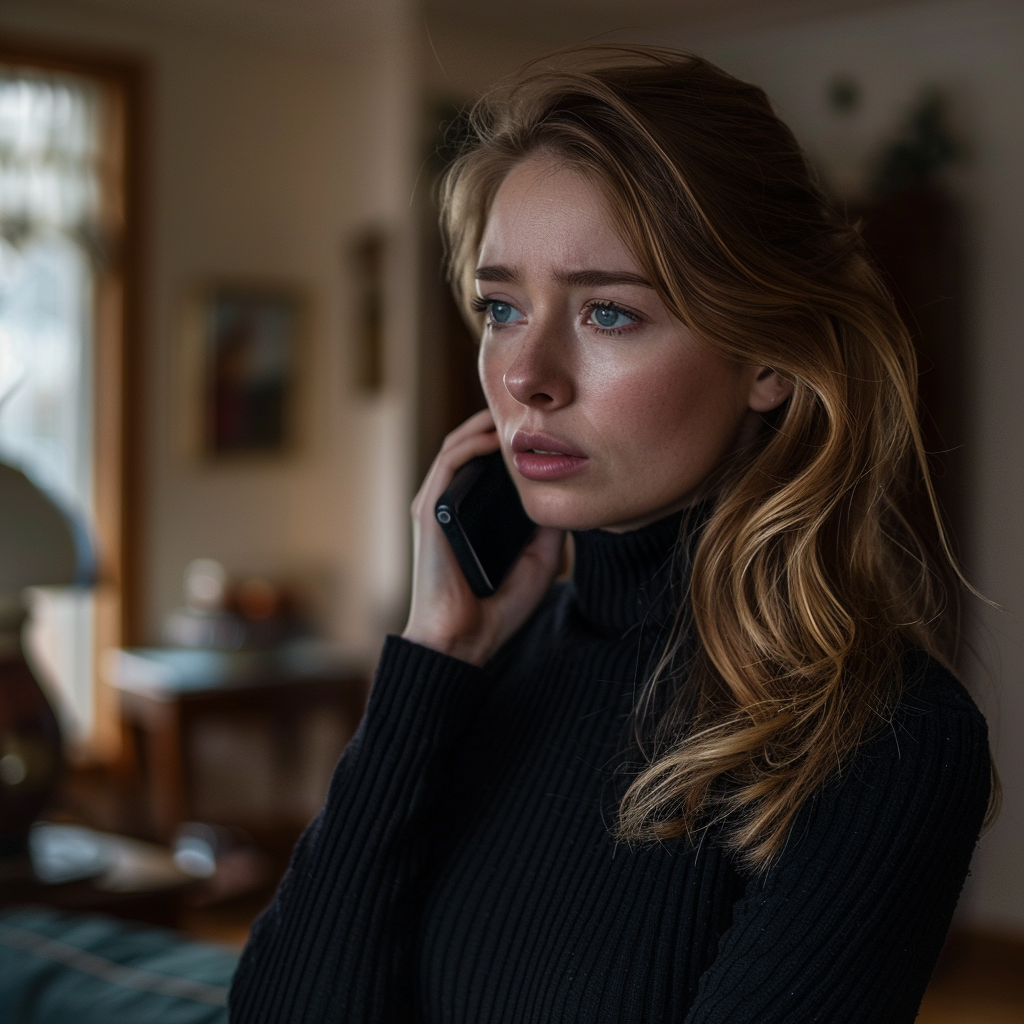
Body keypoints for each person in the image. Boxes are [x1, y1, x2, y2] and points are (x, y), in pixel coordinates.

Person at [229, 46, 993, 1023]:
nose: (526, 375)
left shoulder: (883, 740)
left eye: (607, 312)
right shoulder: (474, 674)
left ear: (765, 357)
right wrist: (429, 663)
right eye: (502, 306)